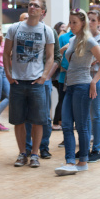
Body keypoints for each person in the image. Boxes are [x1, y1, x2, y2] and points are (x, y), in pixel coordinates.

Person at [3, 0, 55, 168]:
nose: (31, 7)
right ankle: (21, 153)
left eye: (36, 5)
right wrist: (8, 75)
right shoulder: (15, 28)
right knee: (18, 120)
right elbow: (6, 53)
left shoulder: (46, 31)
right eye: (30, 4)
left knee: (38, 120)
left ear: (42, 12)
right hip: (17, 82)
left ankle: (35, 154)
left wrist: (44, 76)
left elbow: (50, 57)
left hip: (36, 83)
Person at [55, 9, 100, 175]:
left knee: (82, 126)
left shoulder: (89, 41)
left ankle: (83, 160)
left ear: (82, 23)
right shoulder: (72, 40)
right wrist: (62, 51)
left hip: (83, 86)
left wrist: (94, 81)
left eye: (74, 22)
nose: (71, 25)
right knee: (66, 125)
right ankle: (70, 162)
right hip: (69, 86)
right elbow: (66, 57)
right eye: (70, 22)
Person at [24, 9, 62, 159]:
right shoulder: (23, 31)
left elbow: (57, 57)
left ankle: (43, 147)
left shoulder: (50, 31)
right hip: (25, 79)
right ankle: (27, 148)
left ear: (43, 13)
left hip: (44, 81)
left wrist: (47, 76)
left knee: (44, 117)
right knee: (26, 116)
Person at [85, 10, 100, 162]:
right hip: (83, 78)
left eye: (93, 20)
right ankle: (85, 147)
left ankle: (96, 150)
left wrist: (90, 58)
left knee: (95, 113)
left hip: (96, 78)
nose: (90, 22)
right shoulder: (83, 37)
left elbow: (97, 59)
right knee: (85, 115)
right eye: (88, 19)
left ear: (99, 22)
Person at [52, 21, 67, 129]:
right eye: (62, 27)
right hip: (58, 76)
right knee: (62, 99)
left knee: (62, 99)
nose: (64, 29)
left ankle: (58, 121)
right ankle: (57, 122)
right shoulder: (60, 38)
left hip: (58, 75)